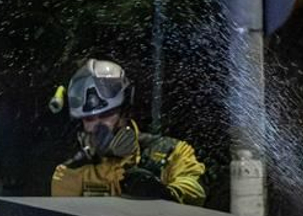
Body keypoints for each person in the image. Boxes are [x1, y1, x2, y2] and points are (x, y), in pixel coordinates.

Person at [50, 58, 206, 205]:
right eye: (89, 119)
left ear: (126, 112)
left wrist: (164, 194)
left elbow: (194, 190)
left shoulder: (171, 153)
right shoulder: (71, 171)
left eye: (106, 115)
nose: (98, 127)